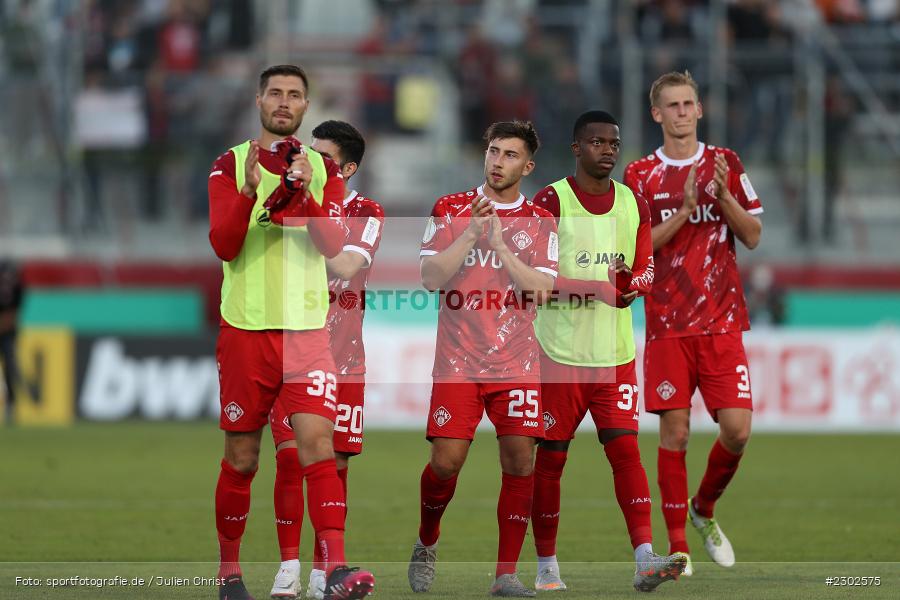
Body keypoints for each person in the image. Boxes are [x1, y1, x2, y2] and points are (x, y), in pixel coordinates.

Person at [207, 64, 375, 600]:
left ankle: (337, 568)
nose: (284, 101)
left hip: (306, 333)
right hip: (246, 330)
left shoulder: (322, 170)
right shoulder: (230, 163)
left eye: (295, 95)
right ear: (258, 101)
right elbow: (224, 244)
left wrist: (304, 193)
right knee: (242, 459)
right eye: (275, 93)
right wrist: (249, 191)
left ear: (306, 106)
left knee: (318, 446)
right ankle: (229, 573)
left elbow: (331, 245)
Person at [529, 110, 686, 593]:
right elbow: (537, 276)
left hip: (614, 357)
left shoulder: (633, 203)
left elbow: (646, 269)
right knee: (551, 460)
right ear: (577, 148)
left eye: (614, 143)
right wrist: (600, 287)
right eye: (597, 142)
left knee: (626, 452)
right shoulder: (551, 200)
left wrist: (631, 285)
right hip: (559, 355)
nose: (608, 150)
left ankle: (645, 558)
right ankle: (546, 566)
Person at [408, 121, 558, 598]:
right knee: (445, 464)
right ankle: (427, 539)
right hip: (458, 362)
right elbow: (430, 277)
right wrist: (471, 234)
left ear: (527, 166)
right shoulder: (450, 208)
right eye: (493, 151)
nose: (498, 161)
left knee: (519, 463)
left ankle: (505, 575)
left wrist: (501, 247)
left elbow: (542, 289)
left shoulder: (540, 220)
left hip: (517, 363)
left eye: (510, 155)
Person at [623, 70, 763, 577]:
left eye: (688, 104)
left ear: (699, 110)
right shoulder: (640, 175)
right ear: (656, 114)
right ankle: (679, 548)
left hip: (722, 320)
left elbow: (753, 236)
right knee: (675, 433)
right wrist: (684, 211)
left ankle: (703, 508)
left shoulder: (725, 163)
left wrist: (722, 197)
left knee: (737, 431)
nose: (681, 112)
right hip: (667, 324)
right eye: (672, 105)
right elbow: (634, 248)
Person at [267, 120, 384, 600]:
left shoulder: (367, 212)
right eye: (308, 154)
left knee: (334, 464)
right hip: (290, 351)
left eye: (324, 158)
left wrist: (310, 210)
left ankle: (324, 571)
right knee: (289, 460)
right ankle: (287, 568)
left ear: (348, 169)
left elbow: (344, 264)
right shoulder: (286, 201)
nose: (310, 163)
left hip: (344, 358)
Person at [0, 260, 23, 424]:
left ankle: (10, 406)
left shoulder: (18, 289)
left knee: (10, 368)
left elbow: (13, 316)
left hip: (8, 335)